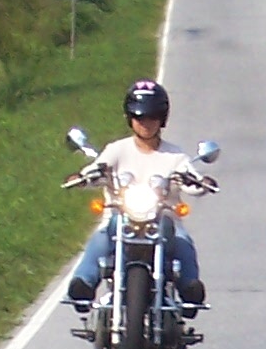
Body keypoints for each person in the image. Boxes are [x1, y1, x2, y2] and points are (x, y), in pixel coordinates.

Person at [68, 79, 206, 311]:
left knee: (182, 240)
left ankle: (190, 289)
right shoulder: (117, 150)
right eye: (139, 117)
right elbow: (98, 168)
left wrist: (200, 182)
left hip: (163, 220)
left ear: (162, 119)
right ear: (130, 118)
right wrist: (83, 177)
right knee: (103, 235)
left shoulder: (175, 156)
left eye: (152, 117)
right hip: (122, 217)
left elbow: (192, 179)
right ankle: (83, 284)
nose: (146, 123)